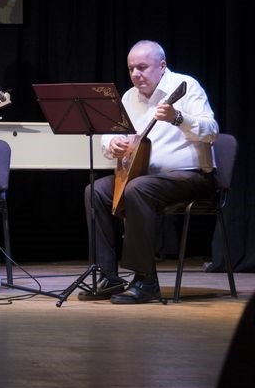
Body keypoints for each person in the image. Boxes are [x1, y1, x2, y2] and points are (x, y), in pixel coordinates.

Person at [81, 40, 218, 304]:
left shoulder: (187, 87)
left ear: (162, 66)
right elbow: (109, 136)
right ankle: (109, 277)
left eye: (142, 67)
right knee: (95, 191)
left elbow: (211, 130)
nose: (135, 74)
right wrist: (114, 143)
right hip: (143, 176)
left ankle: (146, 281)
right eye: (131, 68)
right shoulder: (129, 97)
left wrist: (178, 118)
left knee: (138, 189)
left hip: (190, 176)